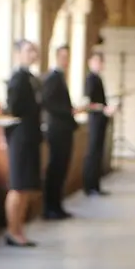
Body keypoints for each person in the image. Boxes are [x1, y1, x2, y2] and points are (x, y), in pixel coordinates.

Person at [3, 40, 43, 247]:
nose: (33, 54)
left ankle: (20, 228)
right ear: (17, 54)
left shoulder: (31, 79)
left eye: (34, 51)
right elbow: (13, 109)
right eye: (28, 51)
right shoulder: (17, 79)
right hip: (20, 137)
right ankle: (12, 229)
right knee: (18, 185)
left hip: (31, 136)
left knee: (26, 185)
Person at [41, 46, 78, 219]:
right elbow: (47, 101)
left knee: (62, 168)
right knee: (55, 168)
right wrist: (67, 111)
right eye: (63, 56)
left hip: (64, 129)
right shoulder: (52, 78)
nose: (66, 60)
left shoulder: (61, 77)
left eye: (68, 57)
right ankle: (50, 207)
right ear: (56, 57)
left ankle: (57, 205)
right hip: (57, 129)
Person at [81, 50, 114, 196]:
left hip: (100, 118)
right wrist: (104, 108)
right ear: (90, 63)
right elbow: (89, 102)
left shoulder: (98, 78)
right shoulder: (91, 79)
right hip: (95, 118)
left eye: (101, 62)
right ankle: (90, 186)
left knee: (98, 152)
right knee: (93, 152)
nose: (99, 64)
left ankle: (95, 184)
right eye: (96, 61)